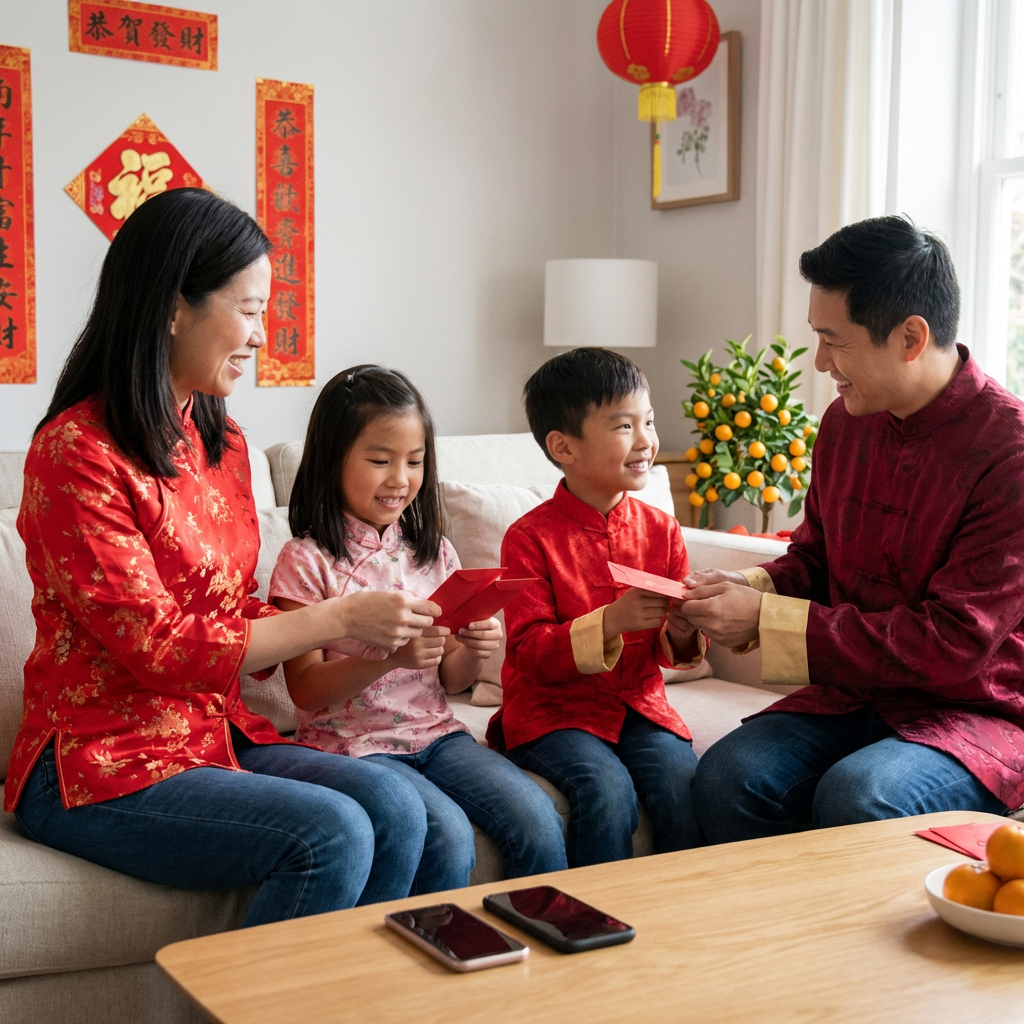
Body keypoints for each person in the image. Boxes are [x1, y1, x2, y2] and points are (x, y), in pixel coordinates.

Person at [6, 188, 449, 926]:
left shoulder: (223, 440)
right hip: (100, 764)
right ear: (173, 307)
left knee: (399, 809)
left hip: (216, 732)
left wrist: (368, 632)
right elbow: (159, 647)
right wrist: (338, 615)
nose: (260, 336)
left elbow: (234, 606)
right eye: (247, 311)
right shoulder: (75, 453)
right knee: (331, 833)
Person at [684, 215, 1024, 842]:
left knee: (860, 796)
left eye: (834, 341)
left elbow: (950, 645)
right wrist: (744, 586)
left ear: (911, 337)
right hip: (851, 696)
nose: (819, 362)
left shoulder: (1011, 454)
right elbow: (815, 558)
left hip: (973, 712)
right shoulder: (845, 423)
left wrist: (763, 619)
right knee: (727, 775)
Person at [268, 365, 568, 888]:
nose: (400, 479)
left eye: (415, 461)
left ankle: (534, 955)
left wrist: (476, 649)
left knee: (537, 816)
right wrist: (387, 659)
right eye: (380, 461)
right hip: (352, 745)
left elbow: (451, 680)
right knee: (447, 838)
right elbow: (305, 690)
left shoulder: (433, 552)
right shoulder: (304, 561)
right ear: (332, 459)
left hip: (438, 736)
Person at [485, 347, 707, 866]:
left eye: (648, 421)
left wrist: (682, 626)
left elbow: (676, 653)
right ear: (564, 446)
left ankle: (690, 920)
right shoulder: (528, 538)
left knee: (683, 782)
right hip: (552, 715)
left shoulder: (662, 529)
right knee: (605, 790)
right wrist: (611, 621)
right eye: (623, 426)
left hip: (641, 705)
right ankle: (593, 928)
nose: (647, 440)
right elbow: (528, 652)